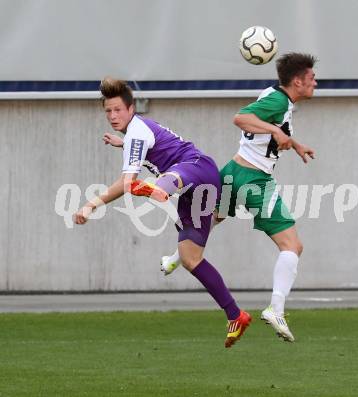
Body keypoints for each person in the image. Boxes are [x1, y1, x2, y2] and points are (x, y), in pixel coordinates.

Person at [73, 77, 251, 348]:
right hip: (196, 190)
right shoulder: (135, 133)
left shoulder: (136, 133)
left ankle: (164, 190)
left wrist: (90, 204)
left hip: (196, 168)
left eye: (117, 110)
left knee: (148, 183)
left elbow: (125, 183)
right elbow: (152, 145)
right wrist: (123, 144)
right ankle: (235, 315)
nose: (112, 116)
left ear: (131, 109)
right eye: (108, 111)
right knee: (192, 259)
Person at [161, 52, 317, 342]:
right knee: (292, 245)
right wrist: (275, 131)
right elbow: (240, 118)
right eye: (311, 79)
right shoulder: (279, 100)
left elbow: (267, 127)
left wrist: (294, 143)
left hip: (234, 170)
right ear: (297, 81)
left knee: (212, 218)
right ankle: (276, 308)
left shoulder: (276, 96)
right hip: (255, 179)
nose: (315, 83)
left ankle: (175, 258)